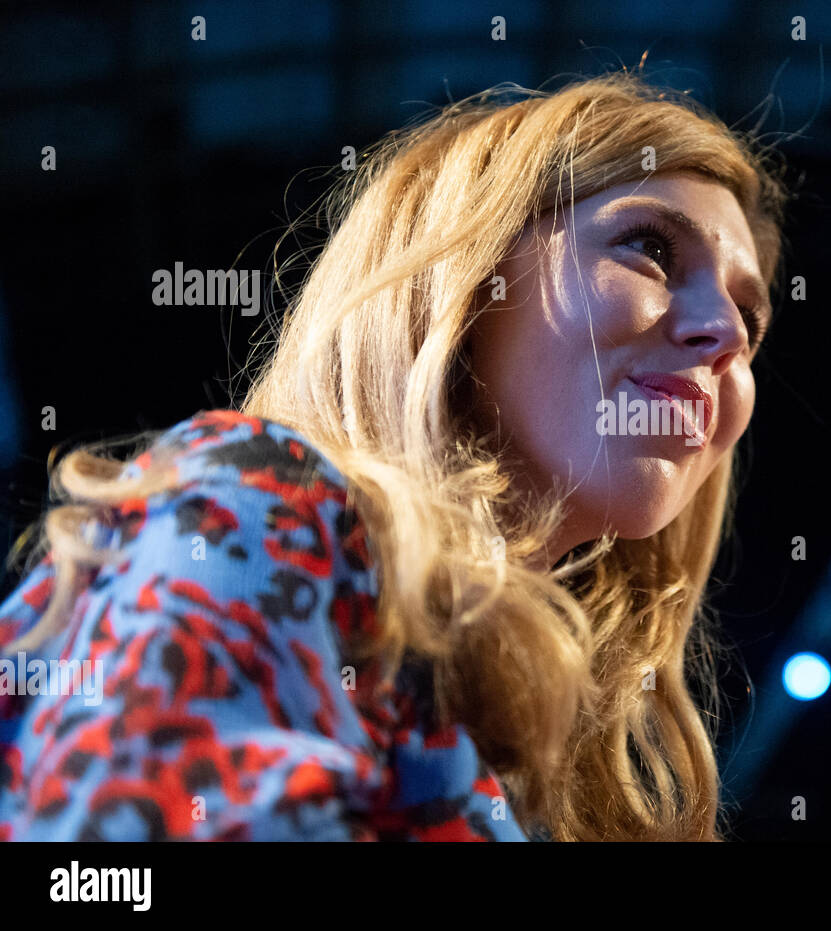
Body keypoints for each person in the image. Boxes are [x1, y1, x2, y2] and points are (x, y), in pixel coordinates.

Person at [0, 70, 788, 841]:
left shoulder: (557, 767)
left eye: (750, 318)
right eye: (650, 248)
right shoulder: (249, 499)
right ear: (468, 280)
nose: (724, 334)